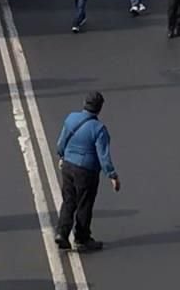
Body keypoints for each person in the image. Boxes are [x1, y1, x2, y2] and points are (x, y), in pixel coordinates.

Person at [54, 91, 120, 253]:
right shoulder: (99, 129)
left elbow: (61, 142)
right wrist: (112, 175)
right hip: (86, 171)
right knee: (84, 204)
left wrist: (62, 156)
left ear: (84, 103)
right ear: (99, 109)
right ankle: (82, 238)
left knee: (69, 201)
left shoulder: (71, 118)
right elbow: (103, 156)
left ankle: (62, 233)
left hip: (68, 166)